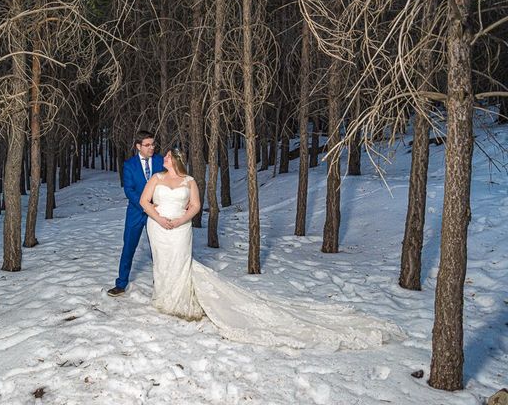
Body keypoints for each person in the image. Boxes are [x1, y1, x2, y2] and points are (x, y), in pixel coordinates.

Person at [139, 148, 405, 351]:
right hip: (158, 226)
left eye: (168, 157)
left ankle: (180, 299)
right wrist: (160, 219)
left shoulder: (189, 181)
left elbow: (196, 206)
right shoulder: (157, 178)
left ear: (177, 160)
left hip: (180, 228)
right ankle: (164, 296)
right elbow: (144, 201)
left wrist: (181, 220)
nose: (164, 158)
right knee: (162, 262)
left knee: (181, 261)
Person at [107, 130, 164, 297]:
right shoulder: (129, 165)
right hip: (136, 212)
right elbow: (129, 190)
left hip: (158, 212)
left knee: (158, 247)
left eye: (153, 144)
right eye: (147, 145)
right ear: (138, 146)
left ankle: (160, 282)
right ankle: (121, 283)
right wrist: (146, 206)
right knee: (129, 247)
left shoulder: (161, 161)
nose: (151, 147)